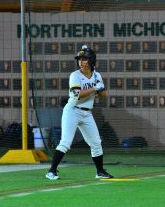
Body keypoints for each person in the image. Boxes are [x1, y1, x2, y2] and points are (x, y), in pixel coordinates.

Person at [46, 45, 114, 180]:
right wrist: (95, 88)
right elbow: (78, 95)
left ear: (91, 60)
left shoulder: (96, 75)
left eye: (84, 59)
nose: (81, 62)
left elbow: (103, 96)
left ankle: (100, 171)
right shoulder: (75, 75)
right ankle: (51, 171)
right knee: (65, 142)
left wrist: (100, 89)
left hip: (87, 113)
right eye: (79, 59)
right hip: (72, 110)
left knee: (96, 142)